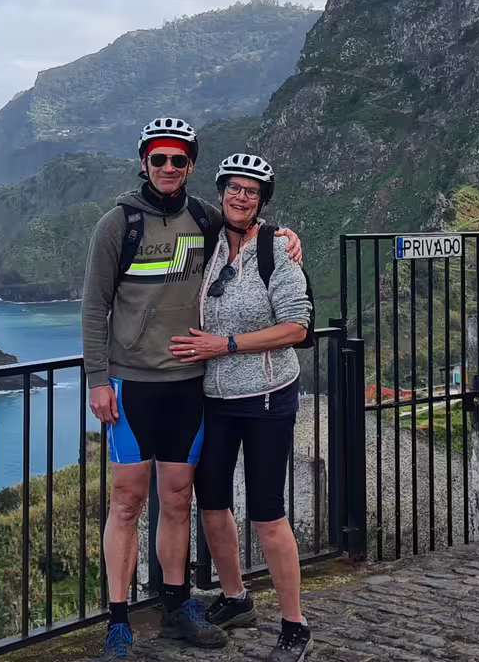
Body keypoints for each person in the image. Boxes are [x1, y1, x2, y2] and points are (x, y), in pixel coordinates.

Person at [81, 119, 301, 660]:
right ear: (145, 163)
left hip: (189, 386)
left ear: (191, 166)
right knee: (127, 501)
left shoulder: (203, 216)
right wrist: (97, 380)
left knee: (179, 501)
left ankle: (177, 605)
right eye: (159, 159)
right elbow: (93, 305)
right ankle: (117, 619)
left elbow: (249, 227)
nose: (169, 168)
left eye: (179, 160)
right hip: (132, 384)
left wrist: (288, 237)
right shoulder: (118, 224)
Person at [170, 153, 313, 662]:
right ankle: (236, 600)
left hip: (267, 399)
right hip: (215, 398)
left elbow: (298, 328)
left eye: (251, 191)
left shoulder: (277, 251)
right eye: (233, 188)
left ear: (262, 201)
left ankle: (294, 625)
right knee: (211, 503)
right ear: (222, 193)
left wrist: (226, 344)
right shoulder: (207, 245)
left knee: (268, 514)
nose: (240, 196)